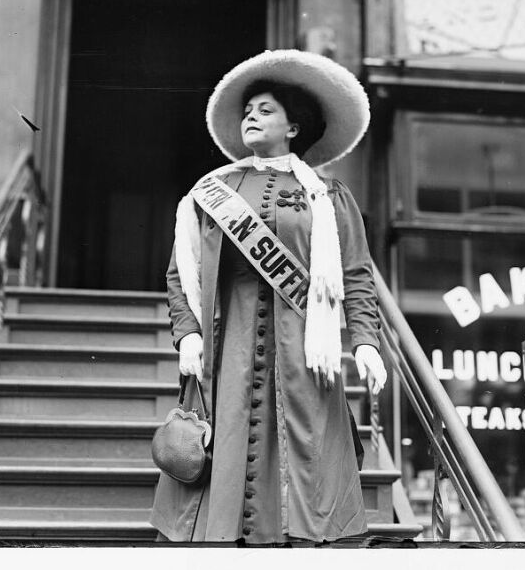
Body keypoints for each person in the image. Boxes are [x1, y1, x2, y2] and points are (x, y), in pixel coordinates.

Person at [150, 49, 387, 545]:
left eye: (265, 110)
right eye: (248, 111)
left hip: (305, 356)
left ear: (294, 127)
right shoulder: (212, 192)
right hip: (227, 353)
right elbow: (181, 272)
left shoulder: (330, 196)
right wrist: (187, 333)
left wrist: (365, 340)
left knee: (309, 471)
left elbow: (356, 275)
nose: (250, 118)